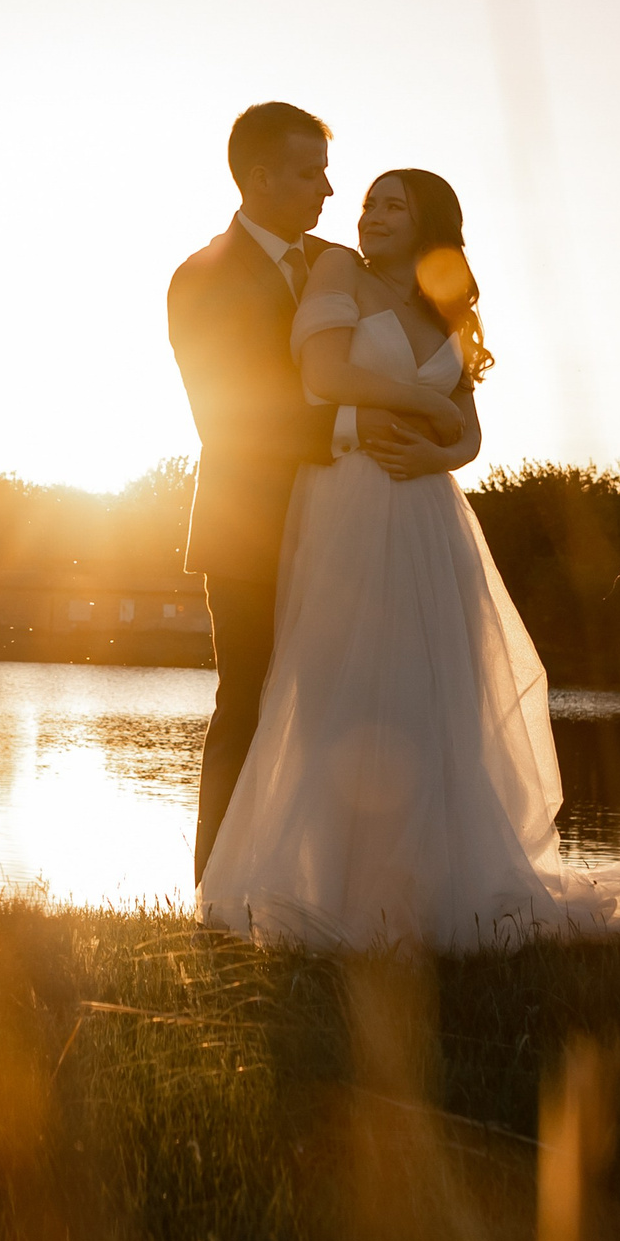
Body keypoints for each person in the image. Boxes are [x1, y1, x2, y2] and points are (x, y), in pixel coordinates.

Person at [195, 167, 620, 949]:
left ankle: (426, 890)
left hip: (430, 511)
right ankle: (321, 885)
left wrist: (437, 448)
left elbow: (469, 438)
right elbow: (323, 374)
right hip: (351, 499)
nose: (368, 216)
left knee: (431, 694)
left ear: (430, 220)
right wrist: (426, 405)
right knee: (343, 683)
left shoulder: (445, 308)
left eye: (390, 205)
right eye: (367, 204)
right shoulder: (337, 270)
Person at [166, 105, 462, 884]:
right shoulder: (201, 277)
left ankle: (331, 886)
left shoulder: (341, 264)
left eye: (329, 174)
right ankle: (218, 896)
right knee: (251, 705)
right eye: (309, 174)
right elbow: (228, 417)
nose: (330, 191)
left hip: (349, 523)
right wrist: (362, 423)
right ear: (259, 178)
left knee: (348, 705)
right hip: (250, 527)